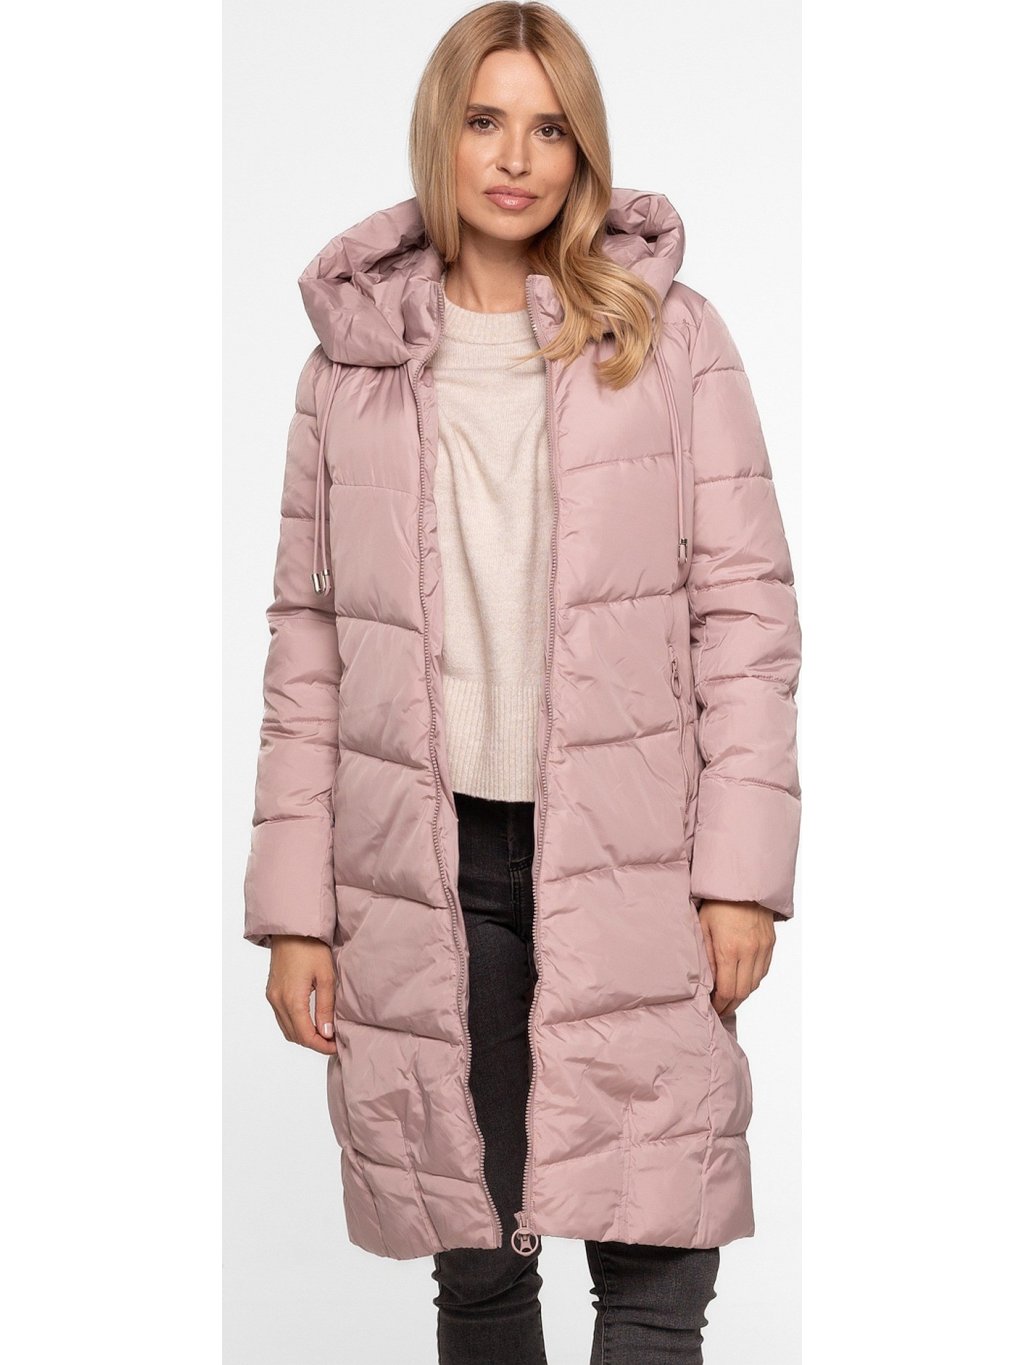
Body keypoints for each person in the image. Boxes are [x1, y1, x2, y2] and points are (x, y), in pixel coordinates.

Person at [242, 4, 801, 1362]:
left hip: (637, 852)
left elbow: (745, 615)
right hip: (429, 868)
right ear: (440, 132)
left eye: (550, 127)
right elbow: (308, 645)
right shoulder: (348, 368)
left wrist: (740, 874)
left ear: (583, 148)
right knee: (482, 1259)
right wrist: (295, 912)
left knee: (657, 1258)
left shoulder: (670, 337)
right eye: (486, 120)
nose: (516, 157)